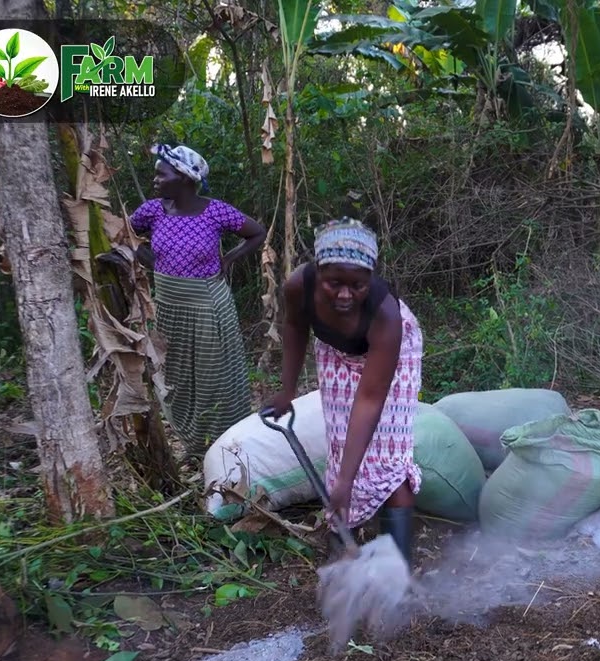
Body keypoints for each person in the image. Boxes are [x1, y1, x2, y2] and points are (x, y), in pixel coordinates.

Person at [265, 219, 423, 565]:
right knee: (340, 444)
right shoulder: (298, 285)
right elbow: (294, 326)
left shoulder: (386, 316)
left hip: (391, 358)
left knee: (388, 458)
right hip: (337, 351)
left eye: (358, 286)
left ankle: (398, 572)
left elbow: (370, 399)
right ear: (317, 271)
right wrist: (287, 390)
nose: (345, 295)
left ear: (370, 281)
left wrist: (347, 481)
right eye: (333, 283)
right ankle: (343, 545)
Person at [129, 143, 266, 458]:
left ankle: (226, 446)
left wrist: (229, 258)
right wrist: (149, 259)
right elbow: (124, 234)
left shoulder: (215, 210)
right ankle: (194, 445)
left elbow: (256, 233)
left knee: (213, 377)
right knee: (177, 377)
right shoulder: (151, 211)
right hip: (169, 305)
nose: (156, 181)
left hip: (207, 306)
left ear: (184, 178)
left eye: (162, 175)